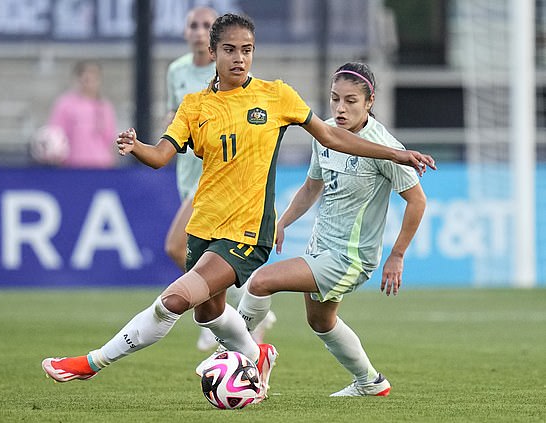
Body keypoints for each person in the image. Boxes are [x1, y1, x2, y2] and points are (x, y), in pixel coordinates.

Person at [41, 14, 435, 403]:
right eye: (230, 49)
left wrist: (397, 155)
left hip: (246, 233)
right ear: (212, 52)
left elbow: (332, 136)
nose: (239, 58)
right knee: (209, 314)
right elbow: (162, 156)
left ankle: (92, 362)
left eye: (247, 50)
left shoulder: (276, 95)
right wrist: (136, 146)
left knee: (174, 301)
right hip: (205, 226)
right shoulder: (195, 106)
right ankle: (254, 355)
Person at [235, 62, 428, 397]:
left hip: (349, 257)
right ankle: (370, 382)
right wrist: (283, 223)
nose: (340, 108)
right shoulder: (324, 133)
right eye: (335, 98)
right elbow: (312, 187)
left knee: (261, 282)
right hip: (320, 247)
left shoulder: (382, 146)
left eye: (351, 100)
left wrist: (397, 255)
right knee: (321, 322)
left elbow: (418, 201)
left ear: (370, 102)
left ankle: (238, 354)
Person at [163, 6, 275, 353]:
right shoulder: (177, 71)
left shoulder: (240, 79)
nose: (198, 31)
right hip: (189, 171)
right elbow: (175, 116)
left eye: (205, 25)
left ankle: (227, 315)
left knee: (174, 246)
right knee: (196, 252)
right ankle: (233, 316)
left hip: (216, 182)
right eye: (192, 25)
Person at [42, 60, 118, 168]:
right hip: (74, 165)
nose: (90, 82)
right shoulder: (65, 104)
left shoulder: (105, 106)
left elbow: (110, 139)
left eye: (94, 78)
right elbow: (55, 135)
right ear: (78, 78)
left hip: (101, 165)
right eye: (86, 78)